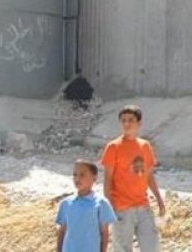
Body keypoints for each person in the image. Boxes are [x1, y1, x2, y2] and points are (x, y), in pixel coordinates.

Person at [101, 105, 165, 252]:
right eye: (123, 120)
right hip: (122, 208)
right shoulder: (113, 147)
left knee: (152, 246)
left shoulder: (145, 146)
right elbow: (107, 180)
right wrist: (111, 207)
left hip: (143, 206)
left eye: (131, 120)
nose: (127, 124)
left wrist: (160, 201)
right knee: (122, 248)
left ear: (139, 123)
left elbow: (149, 176)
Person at [56, 159, 117, 252]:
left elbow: (104, 233)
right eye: (75, 175)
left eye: (82, 175)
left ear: (94, 177)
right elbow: (62, 231)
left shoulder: (100, 203)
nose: (77, 179)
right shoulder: (66, 203)